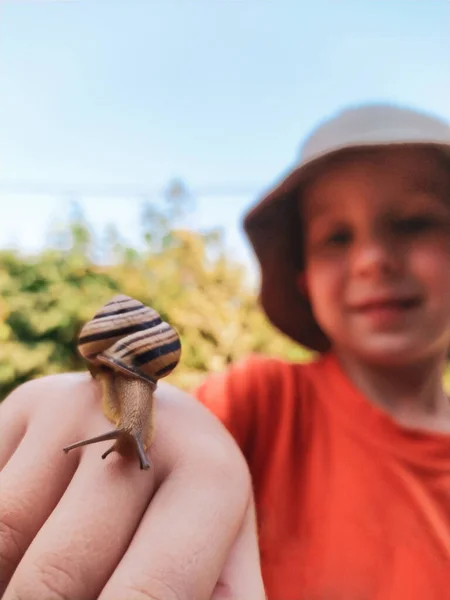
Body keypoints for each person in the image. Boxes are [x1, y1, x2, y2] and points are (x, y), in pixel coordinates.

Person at [1, 101, 450, 600]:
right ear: (303, 277)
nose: (372, 260)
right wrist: (76, 413)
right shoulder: (265, 402)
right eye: (336, 237)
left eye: (413, 223)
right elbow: (178, 429)